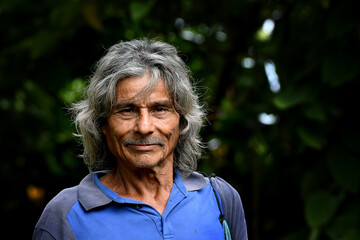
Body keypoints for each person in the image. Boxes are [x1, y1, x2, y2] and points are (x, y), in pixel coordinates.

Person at [33, 39, 248, 240]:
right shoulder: (66, 214)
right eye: (127, 110)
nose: (144, 127)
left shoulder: (219, 199)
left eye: (160, 109)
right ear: (102, 125)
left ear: (182, 122)